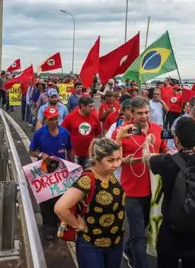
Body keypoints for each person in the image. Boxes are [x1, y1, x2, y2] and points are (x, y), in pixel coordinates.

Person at [141, 117, 195, 268]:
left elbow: (146, 158)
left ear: (176, 139)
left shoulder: (167, 162)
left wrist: (146, 143)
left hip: (171, 230)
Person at [112, 96, 170, 268]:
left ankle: (128, 249)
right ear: (131, 113)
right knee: (139, 235)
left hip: (154, 192)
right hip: (132, 192)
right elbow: (114, 160)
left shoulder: (158, 129)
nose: (144, 116)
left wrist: (171, 153)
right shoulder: (122, 132)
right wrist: (133, 160)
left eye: (147, 112)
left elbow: (164, 149)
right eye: (140, 113)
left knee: (144, 227)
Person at [54, 138, 125, 268]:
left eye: (118, 159)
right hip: (91, 245)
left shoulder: (110, 174)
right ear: (96, 160)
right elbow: (60, 208)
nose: (116, 164)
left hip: (115, 243)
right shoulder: (87, 179)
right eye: (110, 160)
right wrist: (77, 225)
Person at [29, 106, 73, 239]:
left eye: (56, 119)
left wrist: (72, 166)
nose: (54, 122)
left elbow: (70, 150)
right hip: (45, 173)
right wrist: (41, 154)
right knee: (46, 202)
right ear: (45, 120)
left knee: (61, 199)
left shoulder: (65, 133)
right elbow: (31, 151)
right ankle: (48, 228)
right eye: (51, 119)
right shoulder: (40, 134)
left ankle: (60, 224)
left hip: (60, 173)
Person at [62, 96, 102, 170]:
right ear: (83, 106)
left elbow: (98, 135)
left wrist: (95, 150)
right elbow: (62, 133)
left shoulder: (95, 117)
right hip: (73, 154)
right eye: (90, 106)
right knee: (74, 176)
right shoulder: (70, 117)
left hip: (89, 154)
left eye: (93, 106)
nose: (92, 108)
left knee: (87, 177)